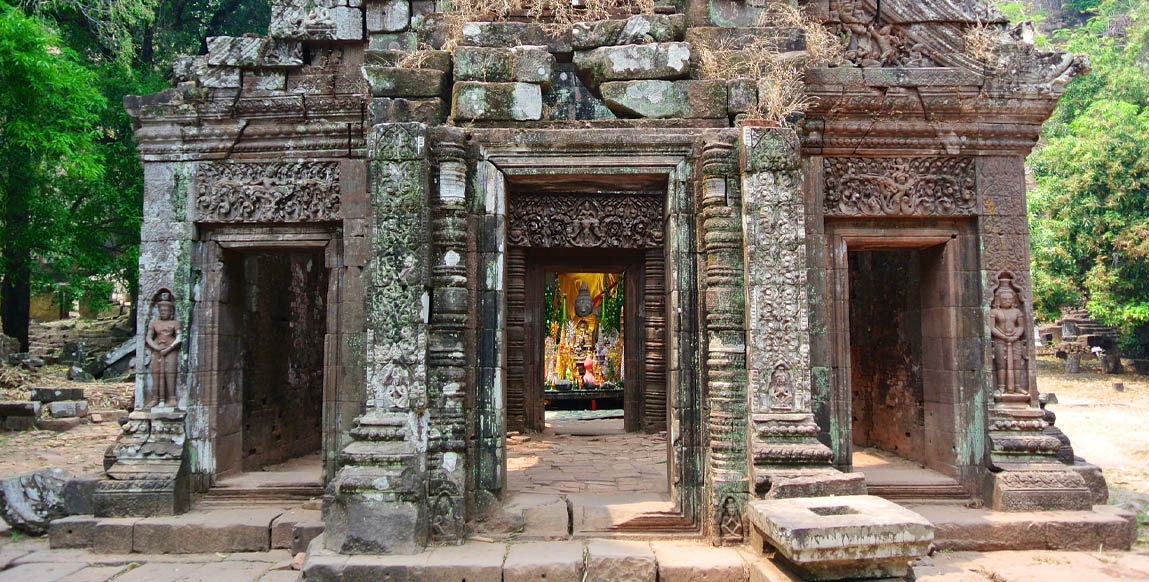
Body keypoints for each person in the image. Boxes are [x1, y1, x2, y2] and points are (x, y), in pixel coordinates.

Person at [990, 276, 1027, 395]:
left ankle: (1017, 386)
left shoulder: (1017, 312)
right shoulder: (994, 312)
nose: (1007, 300)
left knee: (1016, 364)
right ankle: (1001, 387)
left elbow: (1021, 327)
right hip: (1000, 341)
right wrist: (1003, 337)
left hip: (1015, 341)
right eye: (1004, 299)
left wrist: (1015, 336)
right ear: (998, 300)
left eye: (1009, 298)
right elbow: (992, 328)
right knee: (1001, 365)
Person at [145, 291, 182, 408]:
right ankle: (155, 398)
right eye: (161, 311)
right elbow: (148, 338)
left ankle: (171, 398)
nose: (163, 312)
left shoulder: (175, 323)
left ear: (171, 312)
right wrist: (156, 347)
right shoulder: (154, 323)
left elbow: (179, 337)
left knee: (170, 373)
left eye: (166, 311)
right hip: (157, 351)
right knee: (155, 373)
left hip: (171, 350)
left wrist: (169, 349)